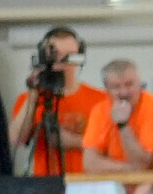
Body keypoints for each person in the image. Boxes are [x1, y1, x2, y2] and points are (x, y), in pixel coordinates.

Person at [8, 27, 120, 175]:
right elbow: (16, 139)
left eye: (69, 56)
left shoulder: (101, 99)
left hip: (88, 184)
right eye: (55, 55)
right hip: (45, 185)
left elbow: (116, 146)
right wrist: (34, 94)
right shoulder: (29, 99)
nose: (62, 63)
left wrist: (73, 141)